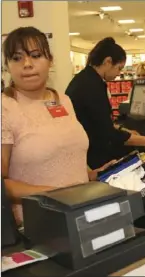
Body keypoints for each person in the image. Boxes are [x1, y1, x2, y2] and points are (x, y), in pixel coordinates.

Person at [1, 27, 112, 224]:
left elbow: (64, 154)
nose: (27, 64)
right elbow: (3, 184)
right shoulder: (5, 108)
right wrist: (57, 193)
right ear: (7, 65)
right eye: (16, 58)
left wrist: (93, 174)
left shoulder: (63, 100)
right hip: (38, 224)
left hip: (82, 212)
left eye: (36, 56)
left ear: (50, 60)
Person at [66, 37, 145, 169]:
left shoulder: (86, 78)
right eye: (119, 68)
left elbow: (100, 122)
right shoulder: (91, 86)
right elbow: (107, 133)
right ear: (108, 61)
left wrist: (126, 131)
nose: (119, 74)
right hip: (93, 156)